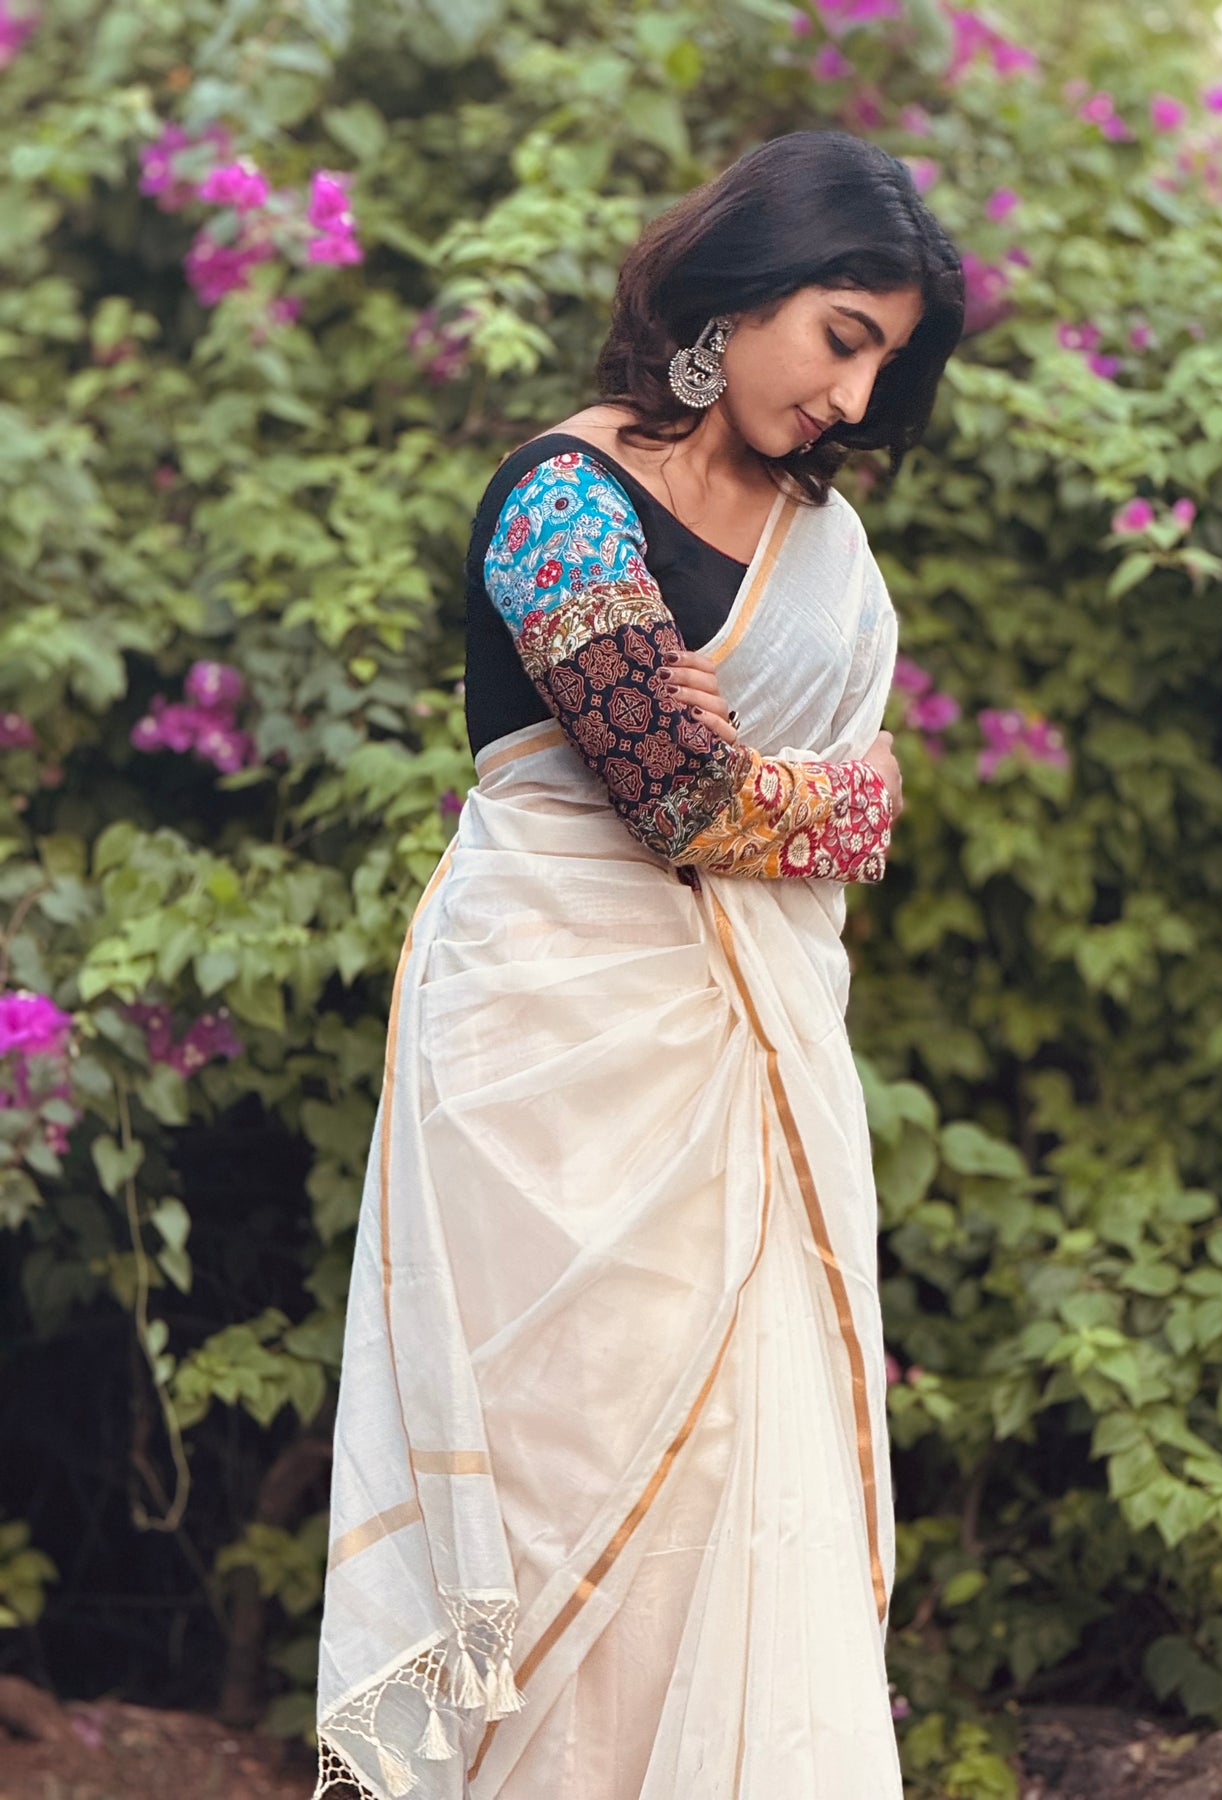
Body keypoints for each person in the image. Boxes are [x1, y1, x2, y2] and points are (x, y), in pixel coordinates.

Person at [314, 129, 965, 1800]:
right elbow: (679, 794)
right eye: (839, 336)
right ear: (739, 289)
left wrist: (797, 800)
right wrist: (846, 799)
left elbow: (763, 806)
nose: (851, 395)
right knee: (550, 1492)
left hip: (733, 1072)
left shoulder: (820, 543)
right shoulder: (559, 501)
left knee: (738, 1480)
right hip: (542, 1057)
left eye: (881, 364)